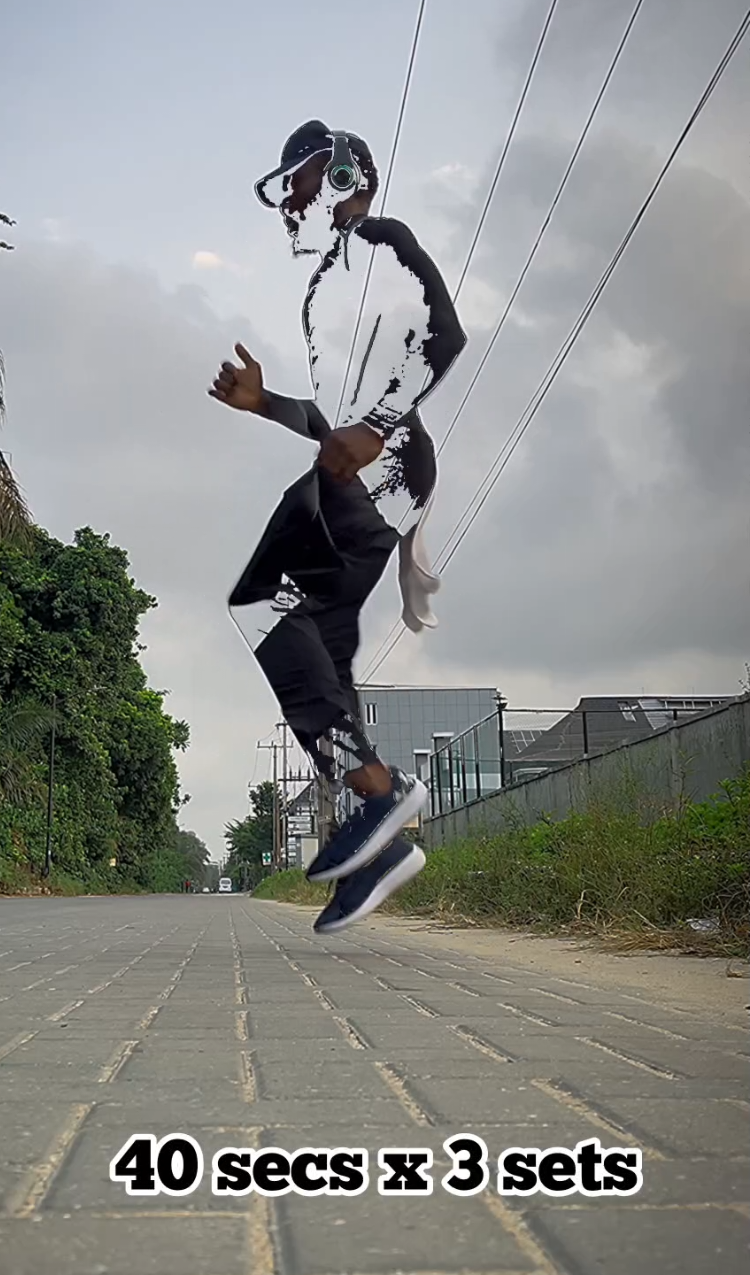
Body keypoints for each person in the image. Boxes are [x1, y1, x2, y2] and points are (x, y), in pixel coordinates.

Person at [209, 120, 466, 933]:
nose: (291, 198)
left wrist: (384, 424)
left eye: (301, 180)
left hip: (379, 466)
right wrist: (266, 404)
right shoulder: (324, 286)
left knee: (261, 602)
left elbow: (445, 335)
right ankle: (385, 842)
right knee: (319, 652)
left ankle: (382, 796)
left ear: (345, 169)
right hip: (361, 464)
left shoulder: (383, 242)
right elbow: (331, 414)